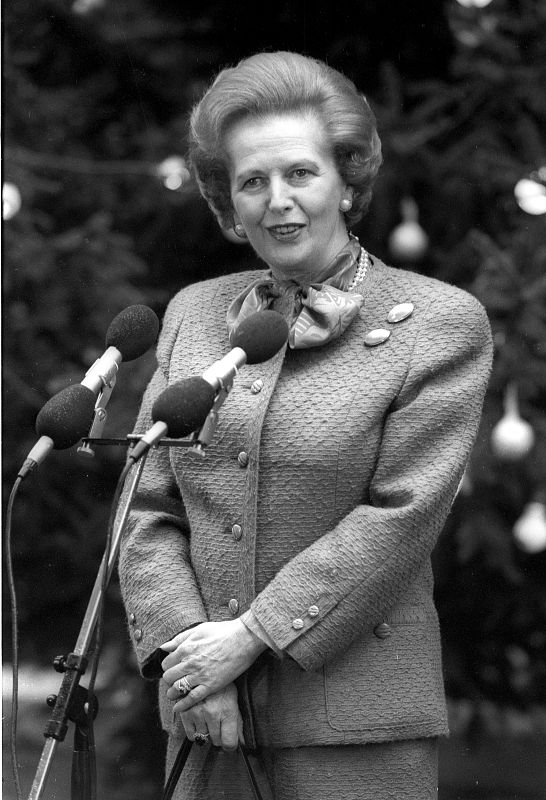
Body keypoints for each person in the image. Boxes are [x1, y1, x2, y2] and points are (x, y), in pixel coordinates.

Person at [118, 51, 493, 800]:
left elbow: (401, 516)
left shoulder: (440, 322)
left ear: (346, 182)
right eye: (252, 181)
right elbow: (146, 505)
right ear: (230, 203)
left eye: (300, 173)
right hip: (206, 720)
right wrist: (189, 665)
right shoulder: (194, 312)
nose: (277, 201)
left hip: (354, 730)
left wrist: (248, 638)